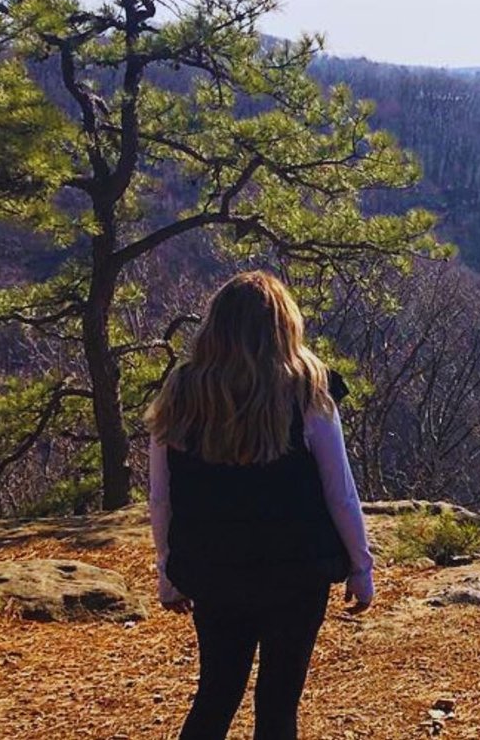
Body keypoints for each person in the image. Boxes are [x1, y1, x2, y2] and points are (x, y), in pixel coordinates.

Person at [147, 271, 376, 740]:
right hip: (295, 572)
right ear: (283, 324)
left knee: (216, 691)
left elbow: (161, 493)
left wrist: (167, 570)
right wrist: (360, 566)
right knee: (278, 700)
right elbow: (340, 489)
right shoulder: (308, 386)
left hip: (212, 568)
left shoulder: (183, 389)